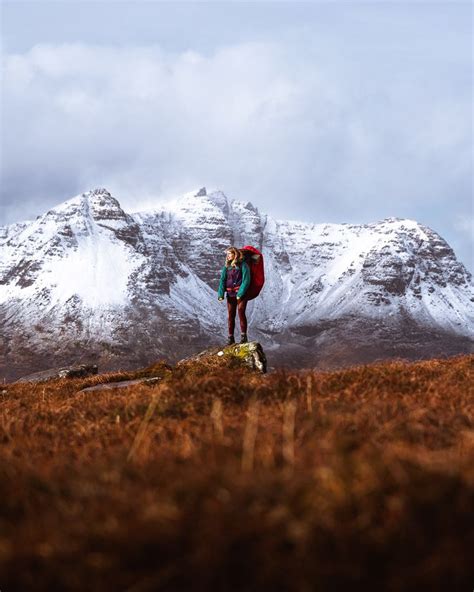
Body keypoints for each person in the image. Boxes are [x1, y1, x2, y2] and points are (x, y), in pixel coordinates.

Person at [218, 247, 251, 345]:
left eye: (229, 254)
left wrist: (240, 293)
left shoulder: (243, 265)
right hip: (230, 294)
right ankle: (230, 337)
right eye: (227, 254)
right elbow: (222, 281)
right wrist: (221, 294)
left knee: (241, 312)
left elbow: (246, 280)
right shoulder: (226, 267)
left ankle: (243, 336)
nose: (227, 256)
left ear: (235, 254)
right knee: (231, 316)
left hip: (241, 294)